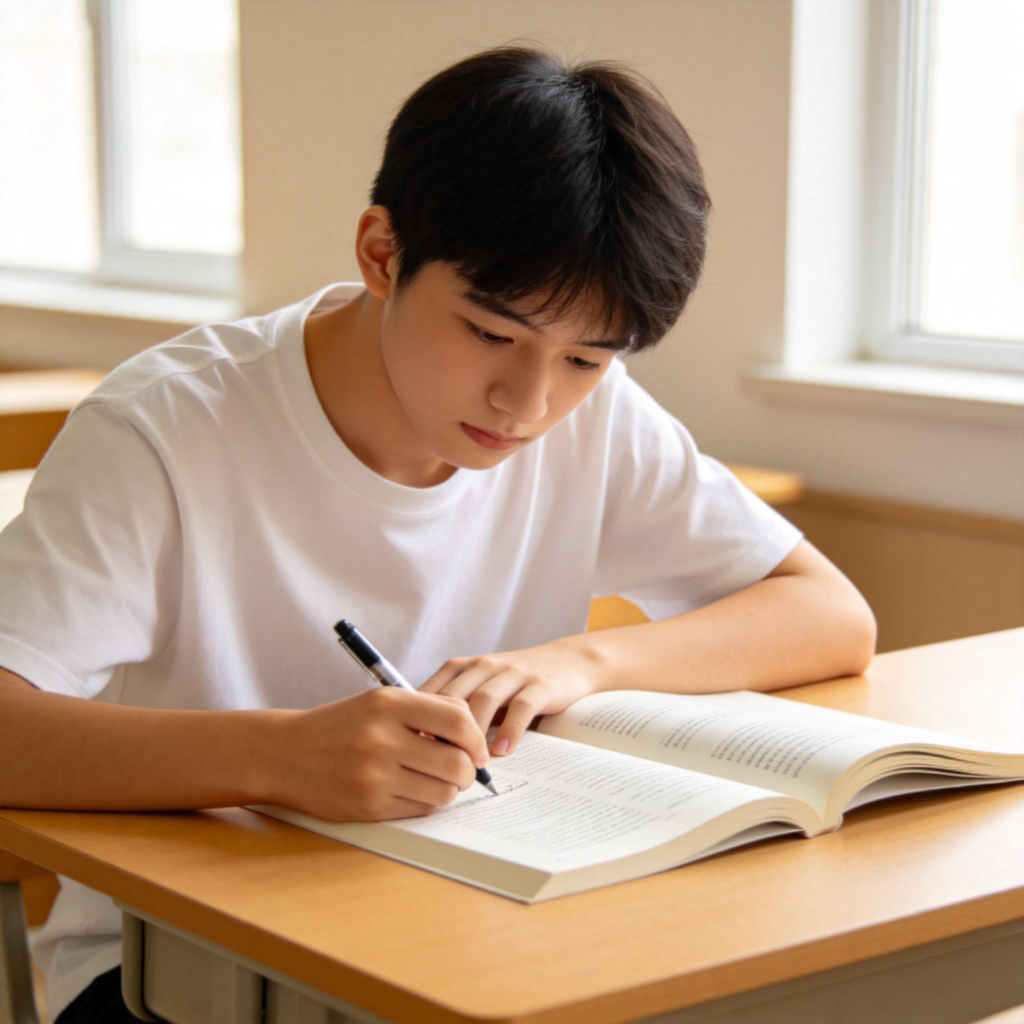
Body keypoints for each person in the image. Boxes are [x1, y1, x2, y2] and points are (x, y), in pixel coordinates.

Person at [0, 45, 875, 1023]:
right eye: (492, 334)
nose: (529, 401)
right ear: (381, 253)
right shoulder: (163, 428)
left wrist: (576, 661)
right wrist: (279, 759)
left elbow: (829, 614)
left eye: (584, 356)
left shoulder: (595, 416)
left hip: (470, 926)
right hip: (168, 962)